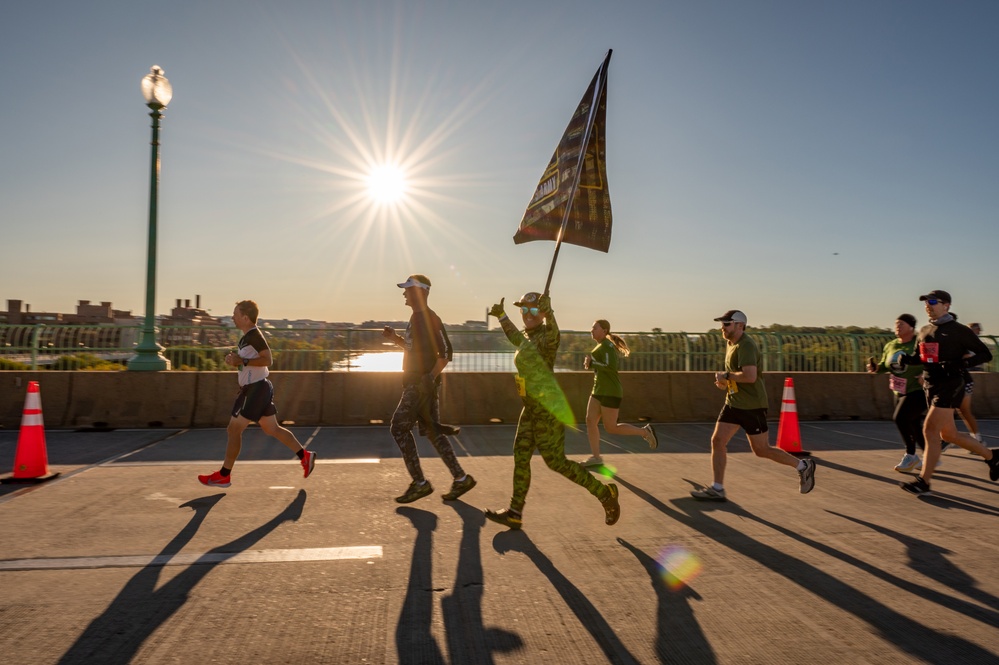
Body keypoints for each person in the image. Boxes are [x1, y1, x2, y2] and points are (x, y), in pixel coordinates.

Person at [483, 291, 620, 530]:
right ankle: (515, 512)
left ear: (542, 312)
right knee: (521, 456)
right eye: (523, 309)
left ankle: (604, 493)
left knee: (557, 463)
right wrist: (502, 316)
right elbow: (516, 337)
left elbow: (555, 335)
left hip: (548, 411)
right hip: (530, 409)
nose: (527, 314)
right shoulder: (529, 337)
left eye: (533, 310)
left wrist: (551, 313)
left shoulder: (546, 337)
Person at [690, 310, 816, 501]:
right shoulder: (730, 344)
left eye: (727, 324)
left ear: (740, 325)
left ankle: (803, 467)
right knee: (717, 441)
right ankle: (717, 488)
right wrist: (725, 383)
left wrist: (726, 376)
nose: (722, 328)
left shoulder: (746, 345)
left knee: (761, 450)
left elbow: (750, 376)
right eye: (722, 324)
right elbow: (736, 375)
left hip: (752, 406)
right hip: (733, 403)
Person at [198, 300, 316, 487]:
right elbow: (247, 360)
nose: (232, 317)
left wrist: (241, 361)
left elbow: (267, 360)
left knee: (234, 429)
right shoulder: (246, 337)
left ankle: (224, 475)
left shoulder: (255, 336)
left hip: (254, 390)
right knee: (272, 429)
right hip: (258, 387)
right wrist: (235, 361)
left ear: (245, 317)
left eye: (235, 314)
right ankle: (305, 456)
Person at [383, 274, 476, 503]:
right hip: (419, 384)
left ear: (419, 292)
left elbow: (445, 353)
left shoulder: (429, 318)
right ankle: (461, 478)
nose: (404, 293)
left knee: (398, 428)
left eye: (407, 289)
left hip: (420, 386)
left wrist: (429, 378)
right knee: (434, 433)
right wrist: (396, 339)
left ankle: (420, 483)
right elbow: (414, 349)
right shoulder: (415, 318)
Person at [894, 291, 998, 495]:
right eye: (925, 302)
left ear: (946, 306)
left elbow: (985, 354)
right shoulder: (924, 330)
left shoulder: (958, 330)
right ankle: (993, 458)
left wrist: (960, 364)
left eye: (933, 301)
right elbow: (921, 357)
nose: (928, 305)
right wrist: (907, 359)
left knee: (929, 430)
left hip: (951, 384)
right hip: (930, 386)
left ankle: (923, 481)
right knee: (948, 434)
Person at [580, 319, 658, 467]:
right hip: (598, 390)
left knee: (611, 427)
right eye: (591, 328)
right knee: (590, 421)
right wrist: (591, 364)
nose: (592, 330)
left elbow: (611, 367)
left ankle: (645, 432)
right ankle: (596, 458)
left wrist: (592, 363)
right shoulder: (600, 346)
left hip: (611, 391)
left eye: (595, 328)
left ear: (604, 331)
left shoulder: (607, 346)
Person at [867, 314, 927, 472]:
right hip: (899, 391)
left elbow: (932, 361)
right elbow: (886, 365)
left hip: (918, 390)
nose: (897, 327)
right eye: (896, 324)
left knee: (900, 418)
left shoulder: (919, 343)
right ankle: (929, 456)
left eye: (901, 324)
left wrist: (926, 376)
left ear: (911, 328)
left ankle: (911, 455)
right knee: (913, 424)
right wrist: (876, 368)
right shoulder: (891, 345)